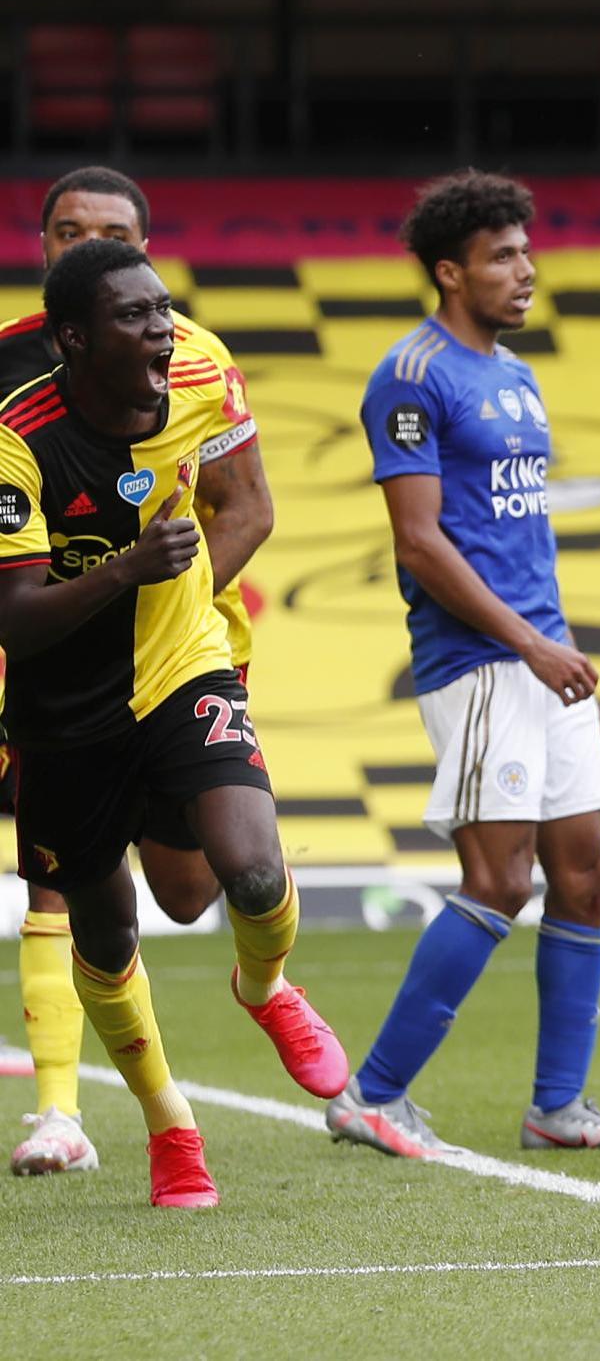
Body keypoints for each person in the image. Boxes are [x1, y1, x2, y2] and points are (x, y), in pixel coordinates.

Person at [0, 240, 346, 1207]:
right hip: (62, 714)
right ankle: (170, 1128)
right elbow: (16, 618)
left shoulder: (202, 378)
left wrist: (169, 583)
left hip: (182, 665)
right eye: (135, 316)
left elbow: (249, 503)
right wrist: (123, 569)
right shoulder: (15, 437)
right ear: (74, 338)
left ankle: (266, 987)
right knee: (107, 938)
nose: (162, 329)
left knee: (255, 869)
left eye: (163, 308)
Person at [333, 172, 600, 1159]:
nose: (526, 270)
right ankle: (372, 1092)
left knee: (586, 873)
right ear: (449, 270)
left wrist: (564, 662)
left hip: (537, 656)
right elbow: (421, 544)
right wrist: (528, 647)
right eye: (503, 255)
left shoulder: (515, 377)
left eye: (526, 250)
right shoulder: (410, 375)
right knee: (498, 875)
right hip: (475, 660)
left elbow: (521, 537)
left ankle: (558, 1105)